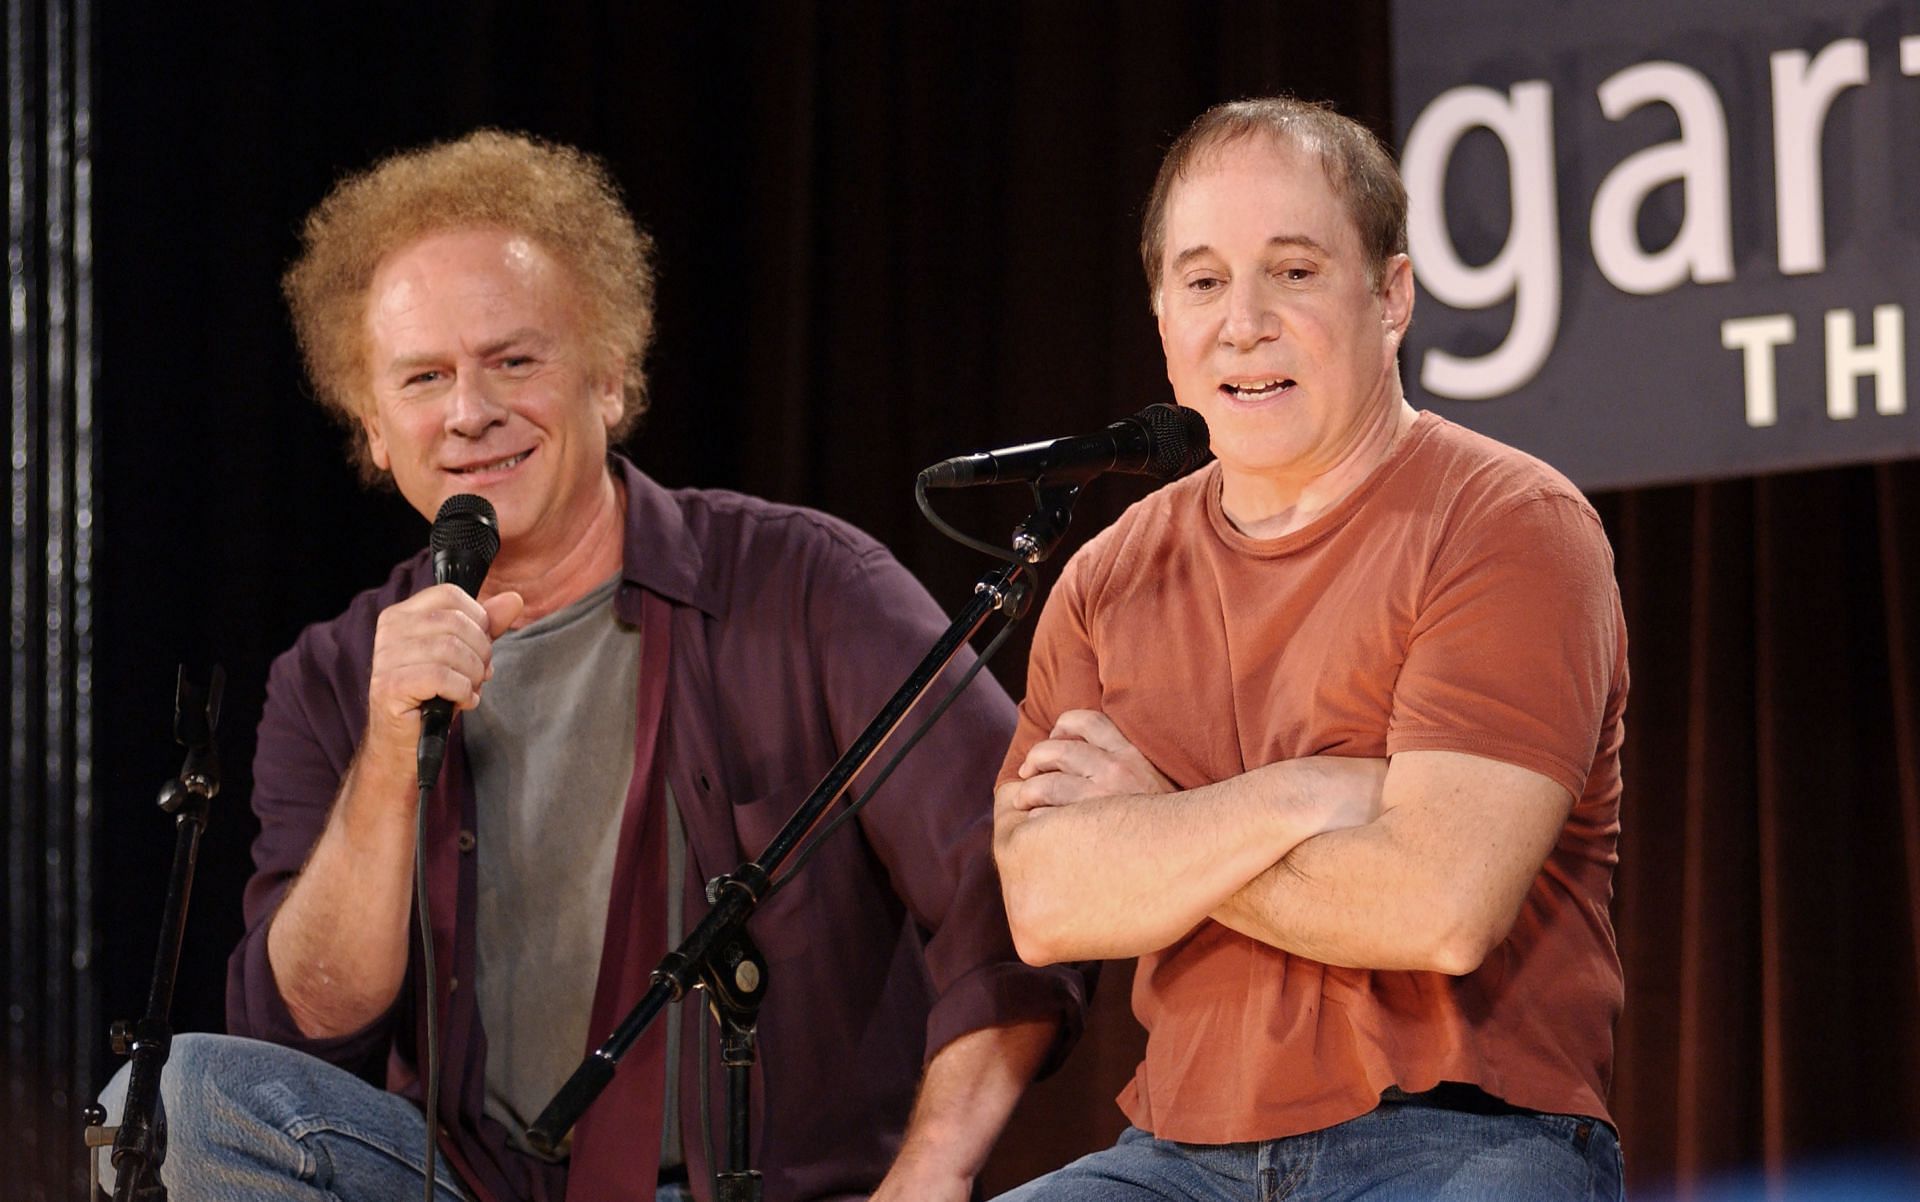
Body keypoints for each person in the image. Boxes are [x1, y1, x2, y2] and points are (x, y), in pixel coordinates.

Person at [96, 130, 1088, 1202]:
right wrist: (391, 749)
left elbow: (1021, 881)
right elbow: (304, 1030)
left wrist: (927, 1178)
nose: (470, 410)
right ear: (373, 429)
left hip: (758, 1190)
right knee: (168, 1097)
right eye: (425, 376)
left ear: (611, 376)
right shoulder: (335, 674)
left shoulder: (806, 585)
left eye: (514, 361)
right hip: (470, 1186)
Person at [991, 97, 1628, 1201]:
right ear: (1161, 317)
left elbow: (1438, 909)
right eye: (1202, 282)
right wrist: (1301, 793)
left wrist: (1155, 819)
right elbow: (1049, 905)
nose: (1242, 322)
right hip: (1174, 1159)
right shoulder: (1105, 575)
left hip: (1464, 1135)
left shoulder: (1511, 523)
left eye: (1292, 271)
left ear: (1391, 296)